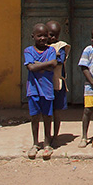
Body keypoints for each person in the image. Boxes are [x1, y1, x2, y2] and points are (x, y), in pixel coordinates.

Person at [24, 22, 58, 159]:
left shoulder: (50, 51)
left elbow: (54, 64)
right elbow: (30, 68)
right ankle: (35, 143)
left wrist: (37, 64)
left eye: (45, 36)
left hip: (47, 89)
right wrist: (46, 65)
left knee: (47, 116)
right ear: (33, 36)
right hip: (33, 89)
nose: (43, 38)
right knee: (34, 117)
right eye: (39, 36)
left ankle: (47, 144)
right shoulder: (28, 51)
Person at [46, 20, 70, 142]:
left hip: (57, 84)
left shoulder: (61, 46)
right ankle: (47, 136)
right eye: (50, 34)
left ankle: (55, 136)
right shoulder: (41, 45)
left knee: (57, 112)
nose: (53, 37)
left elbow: (60, 60)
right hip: (45, 85)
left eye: (55, 35)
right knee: (47, 113)